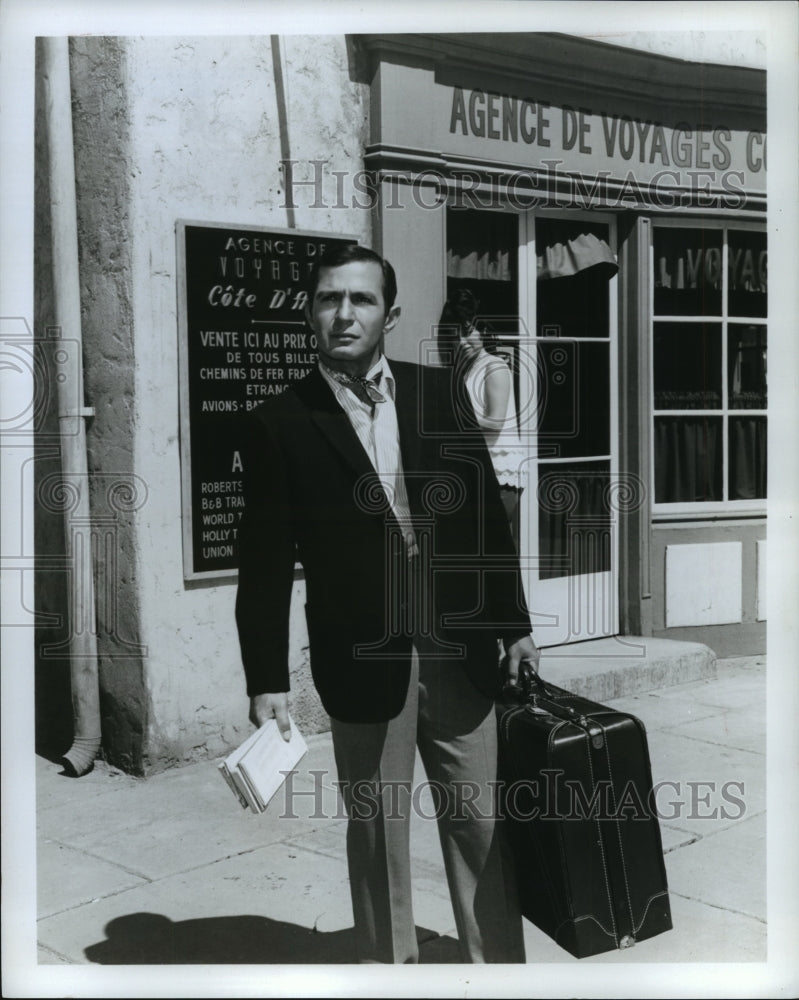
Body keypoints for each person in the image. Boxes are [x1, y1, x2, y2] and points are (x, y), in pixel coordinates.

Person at [235, 244, 540, 964]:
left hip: (458, 645)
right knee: (377, 828)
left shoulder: (438, 394)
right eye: (329, 298)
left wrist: (514, 624)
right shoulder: (280, 422)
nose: (343, 313)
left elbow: (481, 523)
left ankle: (494, 972)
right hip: (360, 653)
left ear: (390, 315)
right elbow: (265, 562)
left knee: (481, 819)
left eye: (361, 300)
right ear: (310, 311)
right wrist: (265, 679)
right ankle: (388, 971)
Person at [439, 289, 527, 549]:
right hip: (480, 468)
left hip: (501, 472)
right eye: (457, 336)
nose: (462, 342)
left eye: (468, 333)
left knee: (493, 548)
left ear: (483, 331)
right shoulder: (468, 370)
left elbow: (494, 422)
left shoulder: (494, 366)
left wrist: (450, 420)